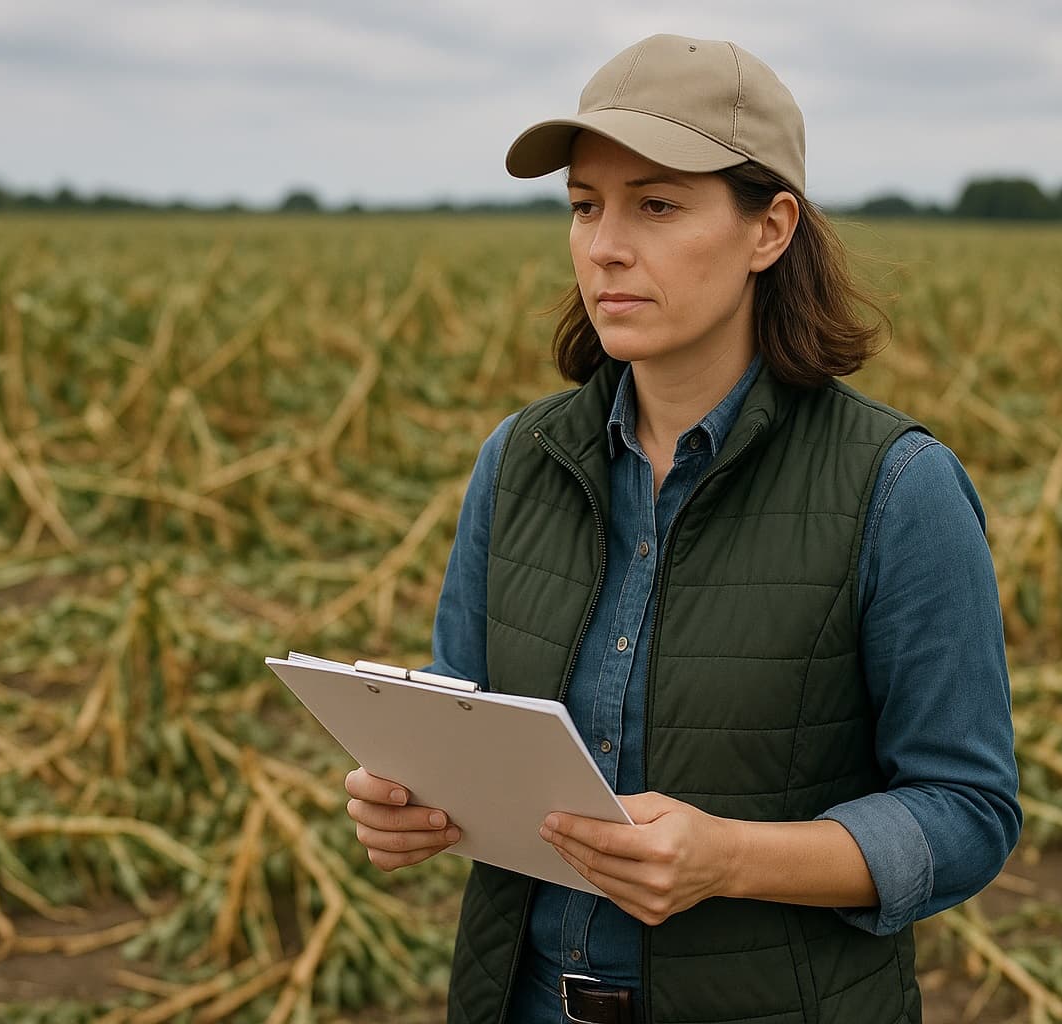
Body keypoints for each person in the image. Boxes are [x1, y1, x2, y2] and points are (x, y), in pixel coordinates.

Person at [343, 33, 1021, 1024]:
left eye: (657, 204)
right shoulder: (519, 462)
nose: (605, 244)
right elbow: (465, 713)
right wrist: (409, 799)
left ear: (769, 228)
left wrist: (730, 858)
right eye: (585, 205)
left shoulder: (898, 488)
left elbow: (967, 812)